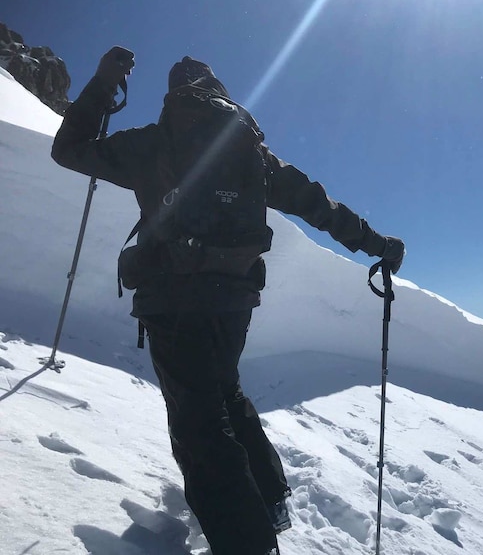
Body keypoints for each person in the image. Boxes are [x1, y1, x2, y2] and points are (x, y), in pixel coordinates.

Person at [52, 47, 405, 555]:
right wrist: (377, 244)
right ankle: (269, 498)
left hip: (171, 299)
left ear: (173, 95)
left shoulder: (154, 143)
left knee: (198, 425)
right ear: (219, 91)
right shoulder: (251, 152)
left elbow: (69, 149)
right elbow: (316, 204)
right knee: (223, 391)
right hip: (235, 300)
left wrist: (104, 83)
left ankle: (248, 542)